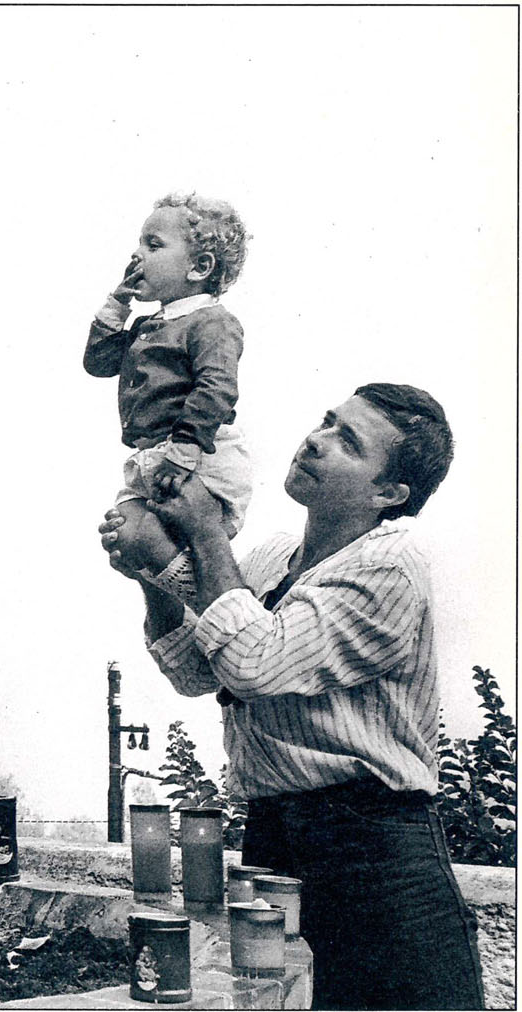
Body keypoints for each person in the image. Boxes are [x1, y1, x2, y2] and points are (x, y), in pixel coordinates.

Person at [100, 382, 483, 1009]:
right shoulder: (279, 555)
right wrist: (151, 576)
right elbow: (202, 670)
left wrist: (202, 532)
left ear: (388, 494)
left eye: (348, 442)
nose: (316, 440)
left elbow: (254, 658)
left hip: (376, 855)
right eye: (328, 421)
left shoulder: (390, 562)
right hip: (278, 842)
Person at [84, 193, 252, 601]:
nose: (137, 253)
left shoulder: (212, 322)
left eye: (153, 245)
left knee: (164, 536)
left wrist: (186, 447)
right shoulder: (149, 324)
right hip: (154, 455)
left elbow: (216, 387)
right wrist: (118, 302)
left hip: (196, 453)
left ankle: (212, 602)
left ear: (200, 267)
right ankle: (190, 604)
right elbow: (99, 361)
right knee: (125, 536)